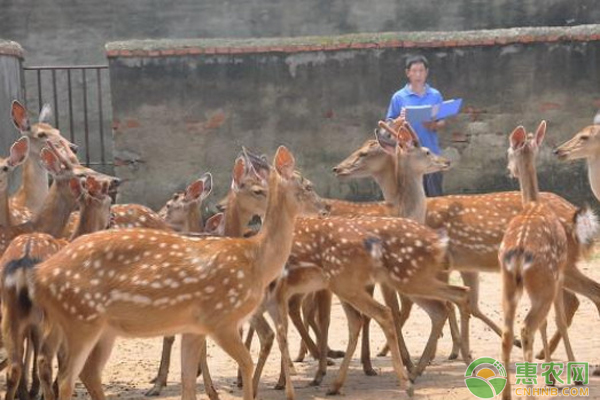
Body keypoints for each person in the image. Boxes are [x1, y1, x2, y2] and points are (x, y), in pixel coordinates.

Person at [386, 54, 446, 197]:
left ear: (426, 72)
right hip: (408, 157)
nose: (418, 74)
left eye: (421, 71)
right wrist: (398, 121)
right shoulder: (399, 97)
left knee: (435, 199)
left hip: (431, 154)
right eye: (414, 71)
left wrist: (433, 125)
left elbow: (442, 121)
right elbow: (388, 124)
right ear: (408, 73)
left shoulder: (435, 95)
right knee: (411, 199)